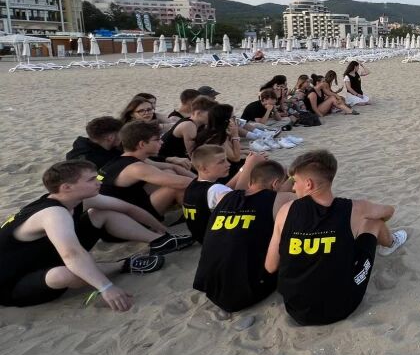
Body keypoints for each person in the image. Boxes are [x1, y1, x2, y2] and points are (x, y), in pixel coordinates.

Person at [0, 161, 176, 309]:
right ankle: (123, 264)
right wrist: (106, 287)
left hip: (44, 258)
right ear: (67, 187)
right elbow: (71, 254)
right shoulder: (53, 213)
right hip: (12, 283)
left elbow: (127, 208)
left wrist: (162, 230)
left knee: (101, 214)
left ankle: (160, 241)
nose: (99, 182)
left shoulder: (75, 200)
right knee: (63, 275)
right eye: (92, 179)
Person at [264, 150, 408, 326]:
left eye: (295, 182)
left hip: (296, 309)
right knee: (374, 223)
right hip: (342, 305)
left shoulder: (285, 211)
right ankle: (391, 243)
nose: (293, 188)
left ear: (308, 184)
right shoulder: (354, 208)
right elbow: (389, 211)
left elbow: (270, 266)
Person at [193, 160, 296, 312]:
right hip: (248, 291)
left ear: (250, 181)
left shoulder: (225, 197)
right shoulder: (282, 199)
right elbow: (298, 195)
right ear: (275, 184)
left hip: (211, 286)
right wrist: (293, 178)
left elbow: (266, 194)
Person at [98, 121, 194, 220]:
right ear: (142, 144)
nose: (162, 142)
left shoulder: (124, 159)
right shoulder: (136, 168)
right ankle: (195, 219)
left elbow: (171, 167)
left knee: (169, 173)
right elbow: (182, 183)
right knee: (177, 187)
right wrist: (204, 184)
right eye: (157, 140)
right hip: (124, 219)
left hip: (124, 204)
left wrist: (198, 178)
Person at [181, 146, 266, 244]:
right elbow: (238, 199)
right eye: (221, 162)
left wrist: (244, 168)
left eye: (226, 160)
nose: (228, 164)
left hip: (204, 237)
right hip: (218, 240)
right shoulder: (215, 190)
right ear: (204, 168)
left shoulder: (195, 184)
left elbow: (226, 189)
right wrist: (250, 167)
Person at [159, 95, 216, 161]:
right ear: (199, 113)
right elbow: (193, 154)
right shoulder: (189, 125)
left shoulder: (200, 124)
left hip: (177, 157)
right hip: (164, 158)